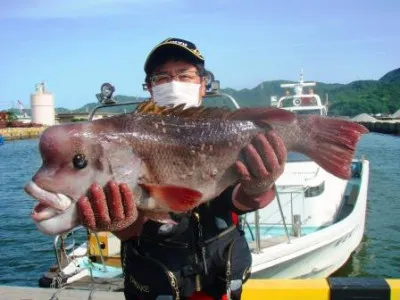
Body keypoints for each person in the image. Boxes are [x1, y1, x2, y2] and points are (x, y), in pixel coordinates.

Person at [78, 37, 287, 300]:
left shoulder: (226, 133)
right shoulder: (128, 140)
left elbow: (240, 202)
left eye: (184, 75)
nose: (173, 83)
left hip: (219, 282)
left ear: (203, 84)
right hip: (156, 283)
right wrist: (119, 223)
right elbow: (131, 227)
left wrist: (260, 185)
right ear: (150, 89)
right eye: (161, 77)